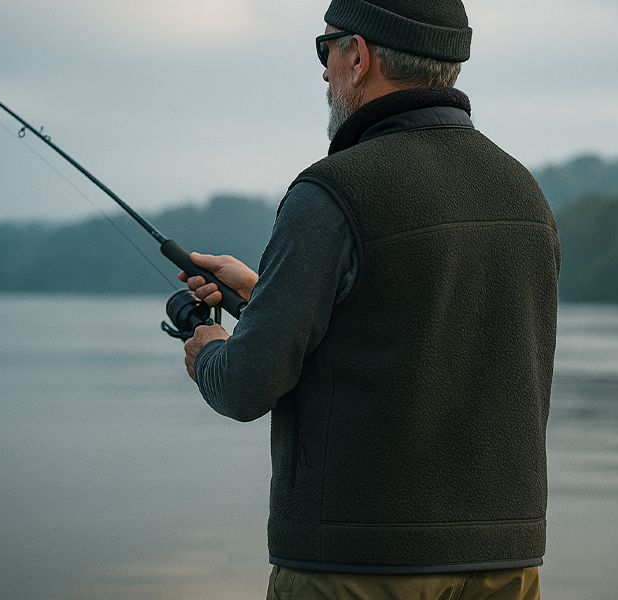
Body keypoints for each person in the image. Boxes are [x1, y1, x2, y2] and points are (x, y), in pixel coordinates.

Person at [179, 0, 560, 598]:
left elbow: (245, 385)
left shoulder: (331, 192)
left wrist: (208, 350)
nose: (323, 70)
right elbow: (416, 330)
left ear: (358, 56)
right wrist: (266, 295)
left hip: (357, 566)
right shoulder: (523, 194)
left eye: (325, 48)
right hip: (505, 562)